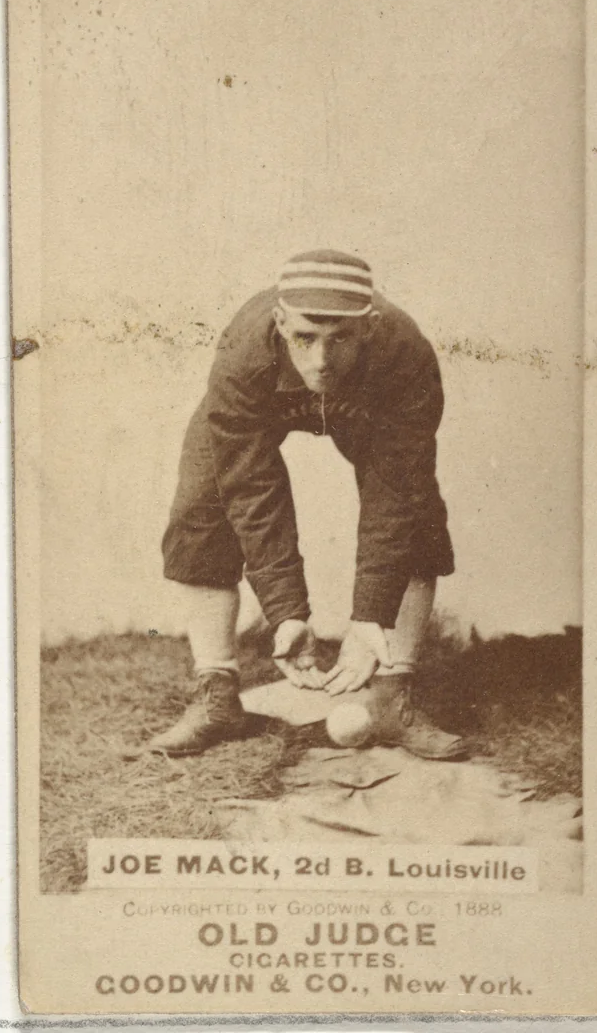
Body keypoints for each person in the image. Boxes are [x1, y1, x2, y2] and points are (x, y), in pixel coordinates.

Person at [148, 248, 464, 759]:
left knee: (417, 512)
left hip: (373, 406)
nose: (320, 359)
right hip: (251, 406)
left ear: (371, 326)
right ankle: (217, 695)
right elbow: (252, 488)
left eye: (340, 338)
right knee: (203, 507)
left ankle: (391, 694)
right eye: (305, 337)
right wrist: (286, 613)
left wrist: (370, 617)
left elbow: (395, 495)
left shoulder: (405, 356)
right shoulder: (243, 355)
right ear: (279, 321)